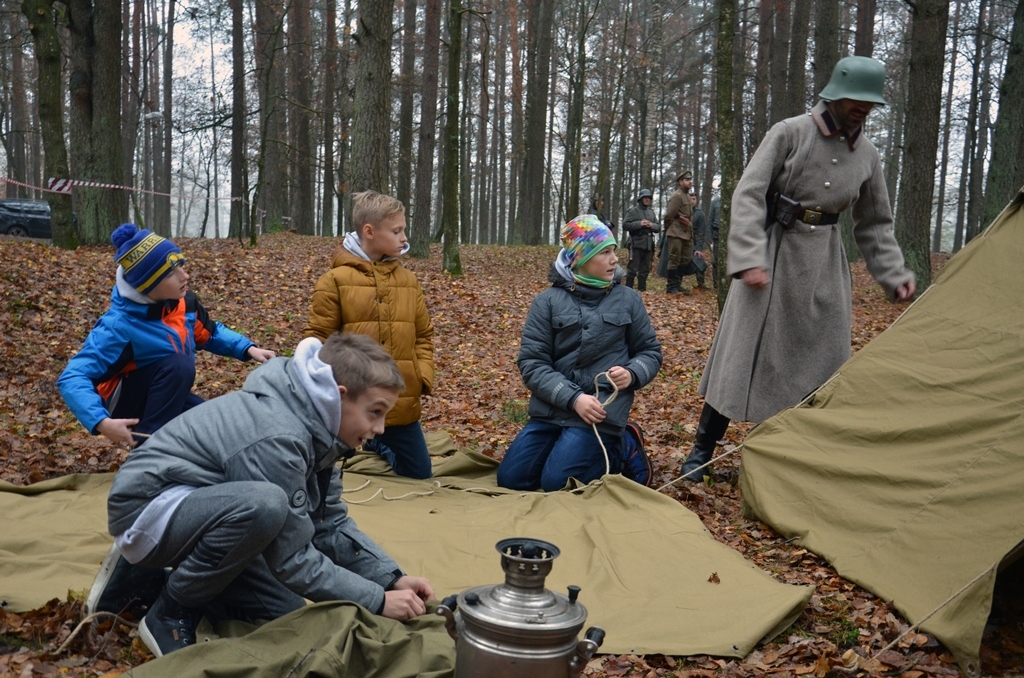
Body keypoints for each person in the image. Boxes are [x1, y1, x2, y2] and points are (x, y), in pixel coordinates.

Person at [88, 332, 435, 657]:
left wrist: (391, 578)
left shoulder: (322, 428)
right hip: (147, 510)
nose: (380, 429)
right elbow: (291, 557)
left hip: (211, 507)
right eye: (375, 412)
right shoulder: (277, 436)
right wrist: (376, 600)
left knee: (285, 613)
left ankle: (143, 580)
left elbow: (329, 524)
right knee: (267, 505)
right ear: (339, 394)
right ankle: (170, 611)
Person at [681, 56, 916, 482]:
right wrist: (750, 256)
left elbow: (875, 223)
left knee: (820, 365)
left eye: (870, 102)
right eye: (856, 100)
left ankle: (790, 457)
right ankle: (701, 450)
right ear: (836, 94)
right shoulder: (790, 133)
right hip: (772, 254)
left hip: (825, 266)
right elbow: (749, 195)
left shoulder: (867, 156)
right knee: (741, 356)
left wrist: (893, 274)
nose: (864, 108)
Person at [58, 224, 274, 448]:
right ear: (146, 285)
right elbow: (72, 377)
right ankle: (147, 452)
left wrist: (248, 348)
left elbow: (210, 333)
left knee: (213, 425)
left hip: (164, 393)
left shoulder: (184, 304)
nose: (185, 275)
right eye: (171, 273)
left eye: (181, 265)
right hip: (124, 403)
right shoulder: (119, 327)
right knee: (179, 366)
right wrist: (101, 422)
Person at [496, 215, 663, 492]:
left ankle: (623, 446)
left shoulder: (628, 299)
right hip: (552, 410)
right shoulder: (546, 302)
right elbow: (532, 362)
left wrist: (632, 373)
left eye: (614, 252)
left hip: (600, 414)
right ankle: (569, 450)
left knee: (558, 483)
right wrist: (573, 399)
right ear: (578, 259)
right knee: (512, 479)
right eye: (605, 253)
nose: (614, 260)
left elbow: (650, 352)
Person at [304, 191, 434, 480]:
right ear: (369, 231)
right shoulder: (334, 281)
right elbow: (317, 340)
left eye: (404, 230)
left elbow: (424, 335)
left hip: (399, 402)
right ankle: (365, 439)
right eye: (397, 231)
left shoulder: (409, 282)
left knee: (419, 473)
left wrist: (421, 375)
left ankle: (378, 445)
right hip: (351, 403)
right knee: (322, 473)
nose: (404, 238)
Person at [662, 171, 695, 295]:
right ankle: (670, 286)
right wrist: (667, 228)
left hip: (686, 232)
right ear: (680, 182)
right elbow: (670, 214)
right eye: (687, 180)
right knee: (674, 258)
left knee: (685, 259)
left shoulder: (687, 196)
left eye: (690, 179)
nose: (690, 182)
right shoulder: (677, 195)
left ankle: (678, 284)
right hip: (676, 231)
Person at [623, 189, 661, 291]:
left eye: (649, 198)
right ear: (640, 199)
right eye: (645, 198)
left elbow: (658, 227)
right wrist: (640, 224)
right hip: (636, 243)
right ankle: (628, 291)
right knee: (632, 269)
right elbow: (625, 225)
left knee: (645, 270)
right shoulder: (633, 211)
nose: (647, 200)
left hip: (648, 244)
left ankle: (642, 290)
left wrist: (651, 225)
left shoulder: (651, 213)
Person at [704, 194, 721, 289]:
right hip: (717, 236)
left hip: (731, 234)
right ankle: (716, 284)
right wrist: (710, 236)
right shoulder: (715, 201)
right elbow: (710, 220)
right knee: (716, 261)